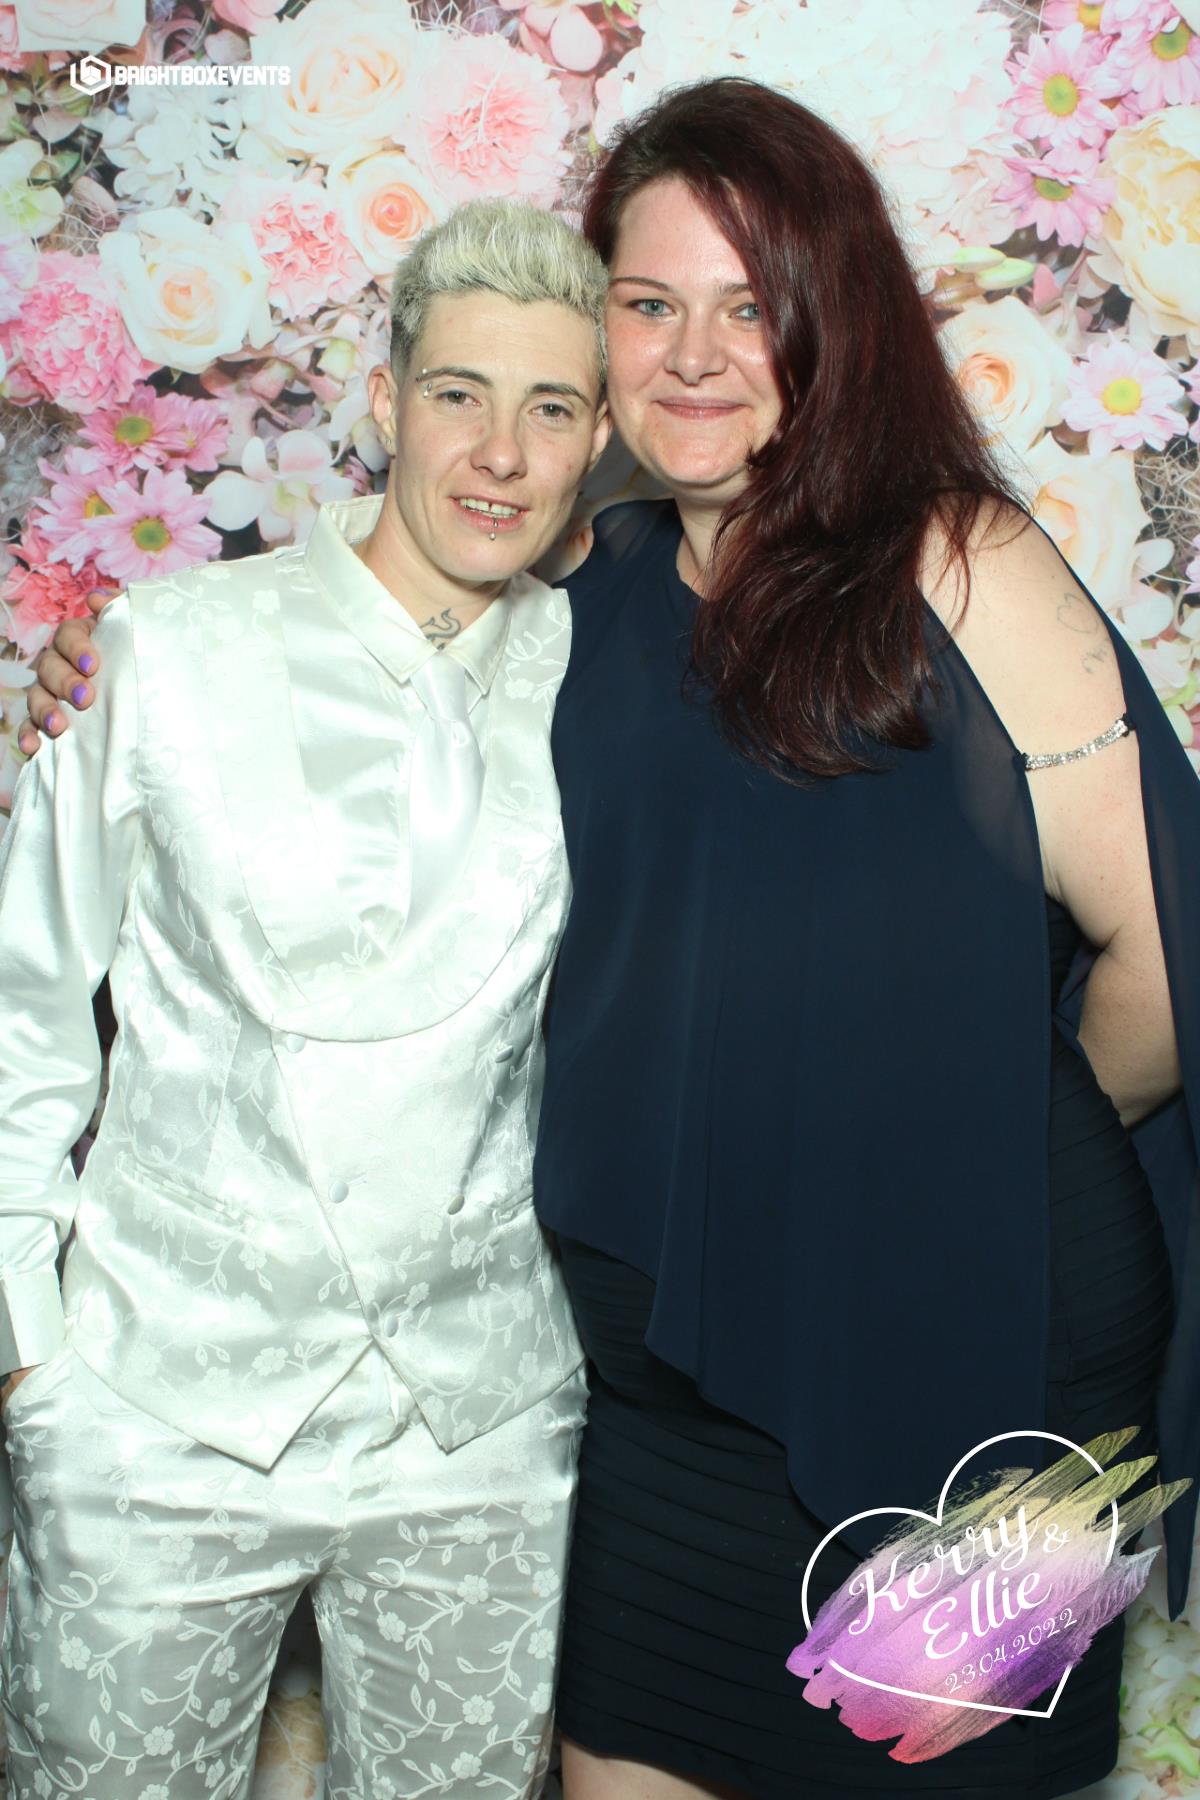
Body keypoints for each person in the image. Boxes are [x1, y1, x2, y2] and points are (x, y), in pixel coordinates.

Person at [22, 77, 1200, 1800]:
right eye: (650, 304)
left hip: (984, 1363)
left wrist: (967, 1147)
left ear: (836, 319)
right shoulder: (591, 588)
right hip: (658, 1390)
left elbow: (1167, 952)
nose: (696, 354)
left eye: (751, 305)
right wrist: (118, 666)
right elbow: (362, 632)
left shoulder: (956, 561)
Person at [0, 199, 611, 1799]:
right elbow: (21, 1009)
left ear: (597, 441)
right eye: (460, 393)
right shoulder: (164, 649)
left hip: (479, 1423)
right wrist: (29, 1362)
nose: (500, 452)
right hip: (159, 1405)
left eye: (551, 408)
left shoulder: (614, 676)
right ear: (388, 399)